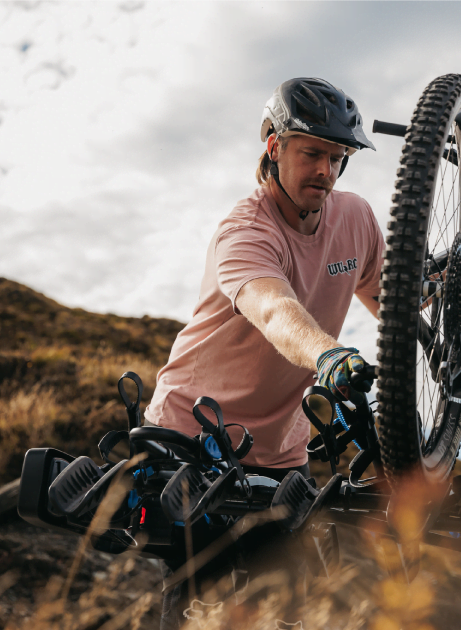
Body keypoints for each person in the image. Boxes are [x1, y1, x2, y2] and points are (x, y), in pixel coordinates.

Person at [143, 77, 384, 628]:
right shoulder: (245, 232)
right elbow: (275, 310)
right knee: (201, 596)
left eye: (338, 158)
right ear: (274, 146)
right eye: (312, 154)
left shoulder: (355, 219)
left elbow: (394, 301)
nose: (326, 171)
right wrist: (329, 356)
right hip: (193, 435)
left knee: (287, 607)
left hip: (279, 450)